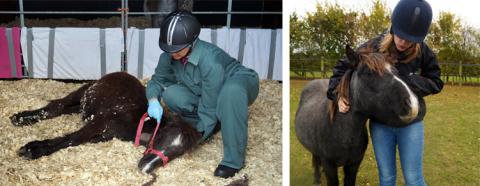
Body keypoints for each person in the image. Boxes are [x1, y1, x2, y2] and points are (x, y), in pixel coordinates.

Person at [327, 0, 443, 185]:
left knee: (414, 178)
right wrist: (336, 94)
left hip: (411, 123)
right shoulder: (373, 46)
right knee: (387, 178)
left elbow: (436, 81)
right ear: (393, 27)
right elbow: (343, 66)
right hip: (381, 125)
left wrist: (405, 82)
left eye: (410, 39)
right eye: (400, 35)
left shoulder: (424, 52)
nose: (403, 42)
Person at [145, 10, 259, 178]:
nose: (173, 53)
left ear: (192, 41)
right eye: (169, 49)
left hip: (239, 82)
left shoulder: (210, 61)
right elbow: (157, 80)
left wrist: (192, 139)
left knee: (230, 94)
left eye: (177, 49)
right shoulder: (170, 55)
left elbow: (208, 109)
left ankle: (233, 161)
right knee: (171, 94)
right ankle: (220, 119)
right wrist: (153, 100)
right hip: (208, 91)